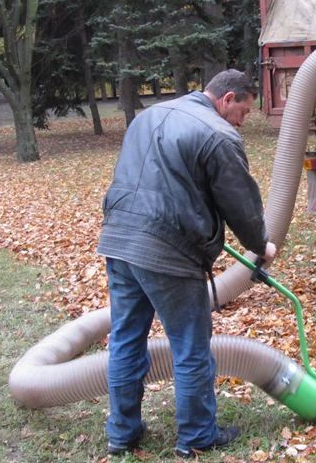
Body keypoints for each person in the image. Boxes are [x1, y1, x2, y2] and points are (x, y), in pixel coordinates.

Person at [97, 69, 277, 459]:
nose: (243, 122)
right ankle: (197, 435)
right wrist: (261, 245)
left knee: (126, 340)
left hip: (117, 239)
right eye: (243, 112)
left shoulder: (148, 116)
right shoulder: (218, 134)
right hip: (167, 251)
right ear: (227, 99)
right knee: (191, 347)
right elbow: (241, 205)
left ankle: (122, 433)